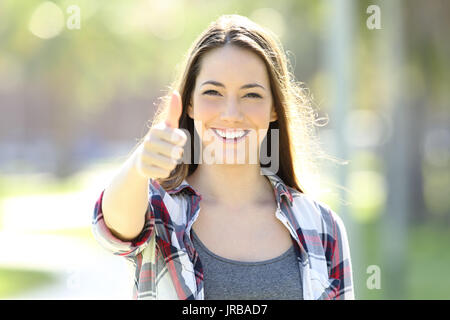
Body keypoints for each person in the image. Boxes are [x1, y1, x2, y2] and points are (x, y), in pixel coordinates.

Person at [92, 14, 354, 300]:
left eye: (251, 95)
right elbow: (112, 226)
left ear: (274, 109)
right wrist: (140, 165)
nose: (231, 114)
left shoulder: (322, 226)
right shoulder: (158, 211)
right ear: (189, 103)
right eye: (213, 92)